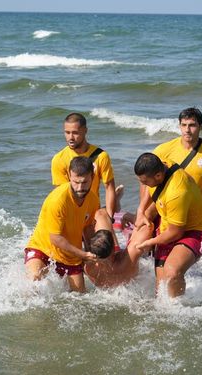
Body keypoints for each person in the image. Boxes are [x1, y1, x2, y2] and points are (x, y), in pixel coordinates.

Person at [135, 107, 202, 238]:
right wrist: (143, 210)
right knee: (146, 247)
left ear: (201, 127)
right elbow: (145, 180)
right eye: (183, 125)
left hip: (193, 213)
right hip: (163, 208)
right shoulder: (163, 150)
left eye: (192, 125)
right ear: (179, 126)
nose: (187, 130)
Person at [134, 153, 202, 297]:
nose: (144, 185)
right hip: (169, 224)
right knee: (161, 289)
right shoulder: (162, 165)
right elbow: (154, 191)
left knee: (172, 273)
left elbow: (175, 233)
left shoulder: (177, 191)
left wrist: (150, 242)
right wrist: (143, 211)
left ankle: (179, 310)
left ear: (158, 176)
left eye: (146, 182)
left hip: (196, 231)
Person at [24, 156, 101, 293]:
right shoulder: (58, 200)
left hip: (71, 257)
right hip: (43, 248)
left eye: (85, 182)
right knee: (33, 282)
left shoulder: (93, 200)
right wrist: (82, 254)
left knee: (81, 297)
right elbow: (56, 238)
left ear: (93, 176)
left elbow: (88, 228)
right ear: (69, 176)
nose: (80, 188)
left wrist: (92, 254)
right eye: (76, 182)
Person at [51, 112, 121, 222]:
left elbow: (109, 187)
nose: (70, 137)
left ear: (85, 131)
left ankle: (115, 202)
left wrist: (110, 217)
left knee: (105, 229)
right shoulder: (59, 159)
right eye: (67, 132)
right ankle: (116, 201)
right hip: (73, 211)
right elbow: (61, 195)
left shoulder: (101, 156)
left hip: (93, 209)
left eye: (75, 133)